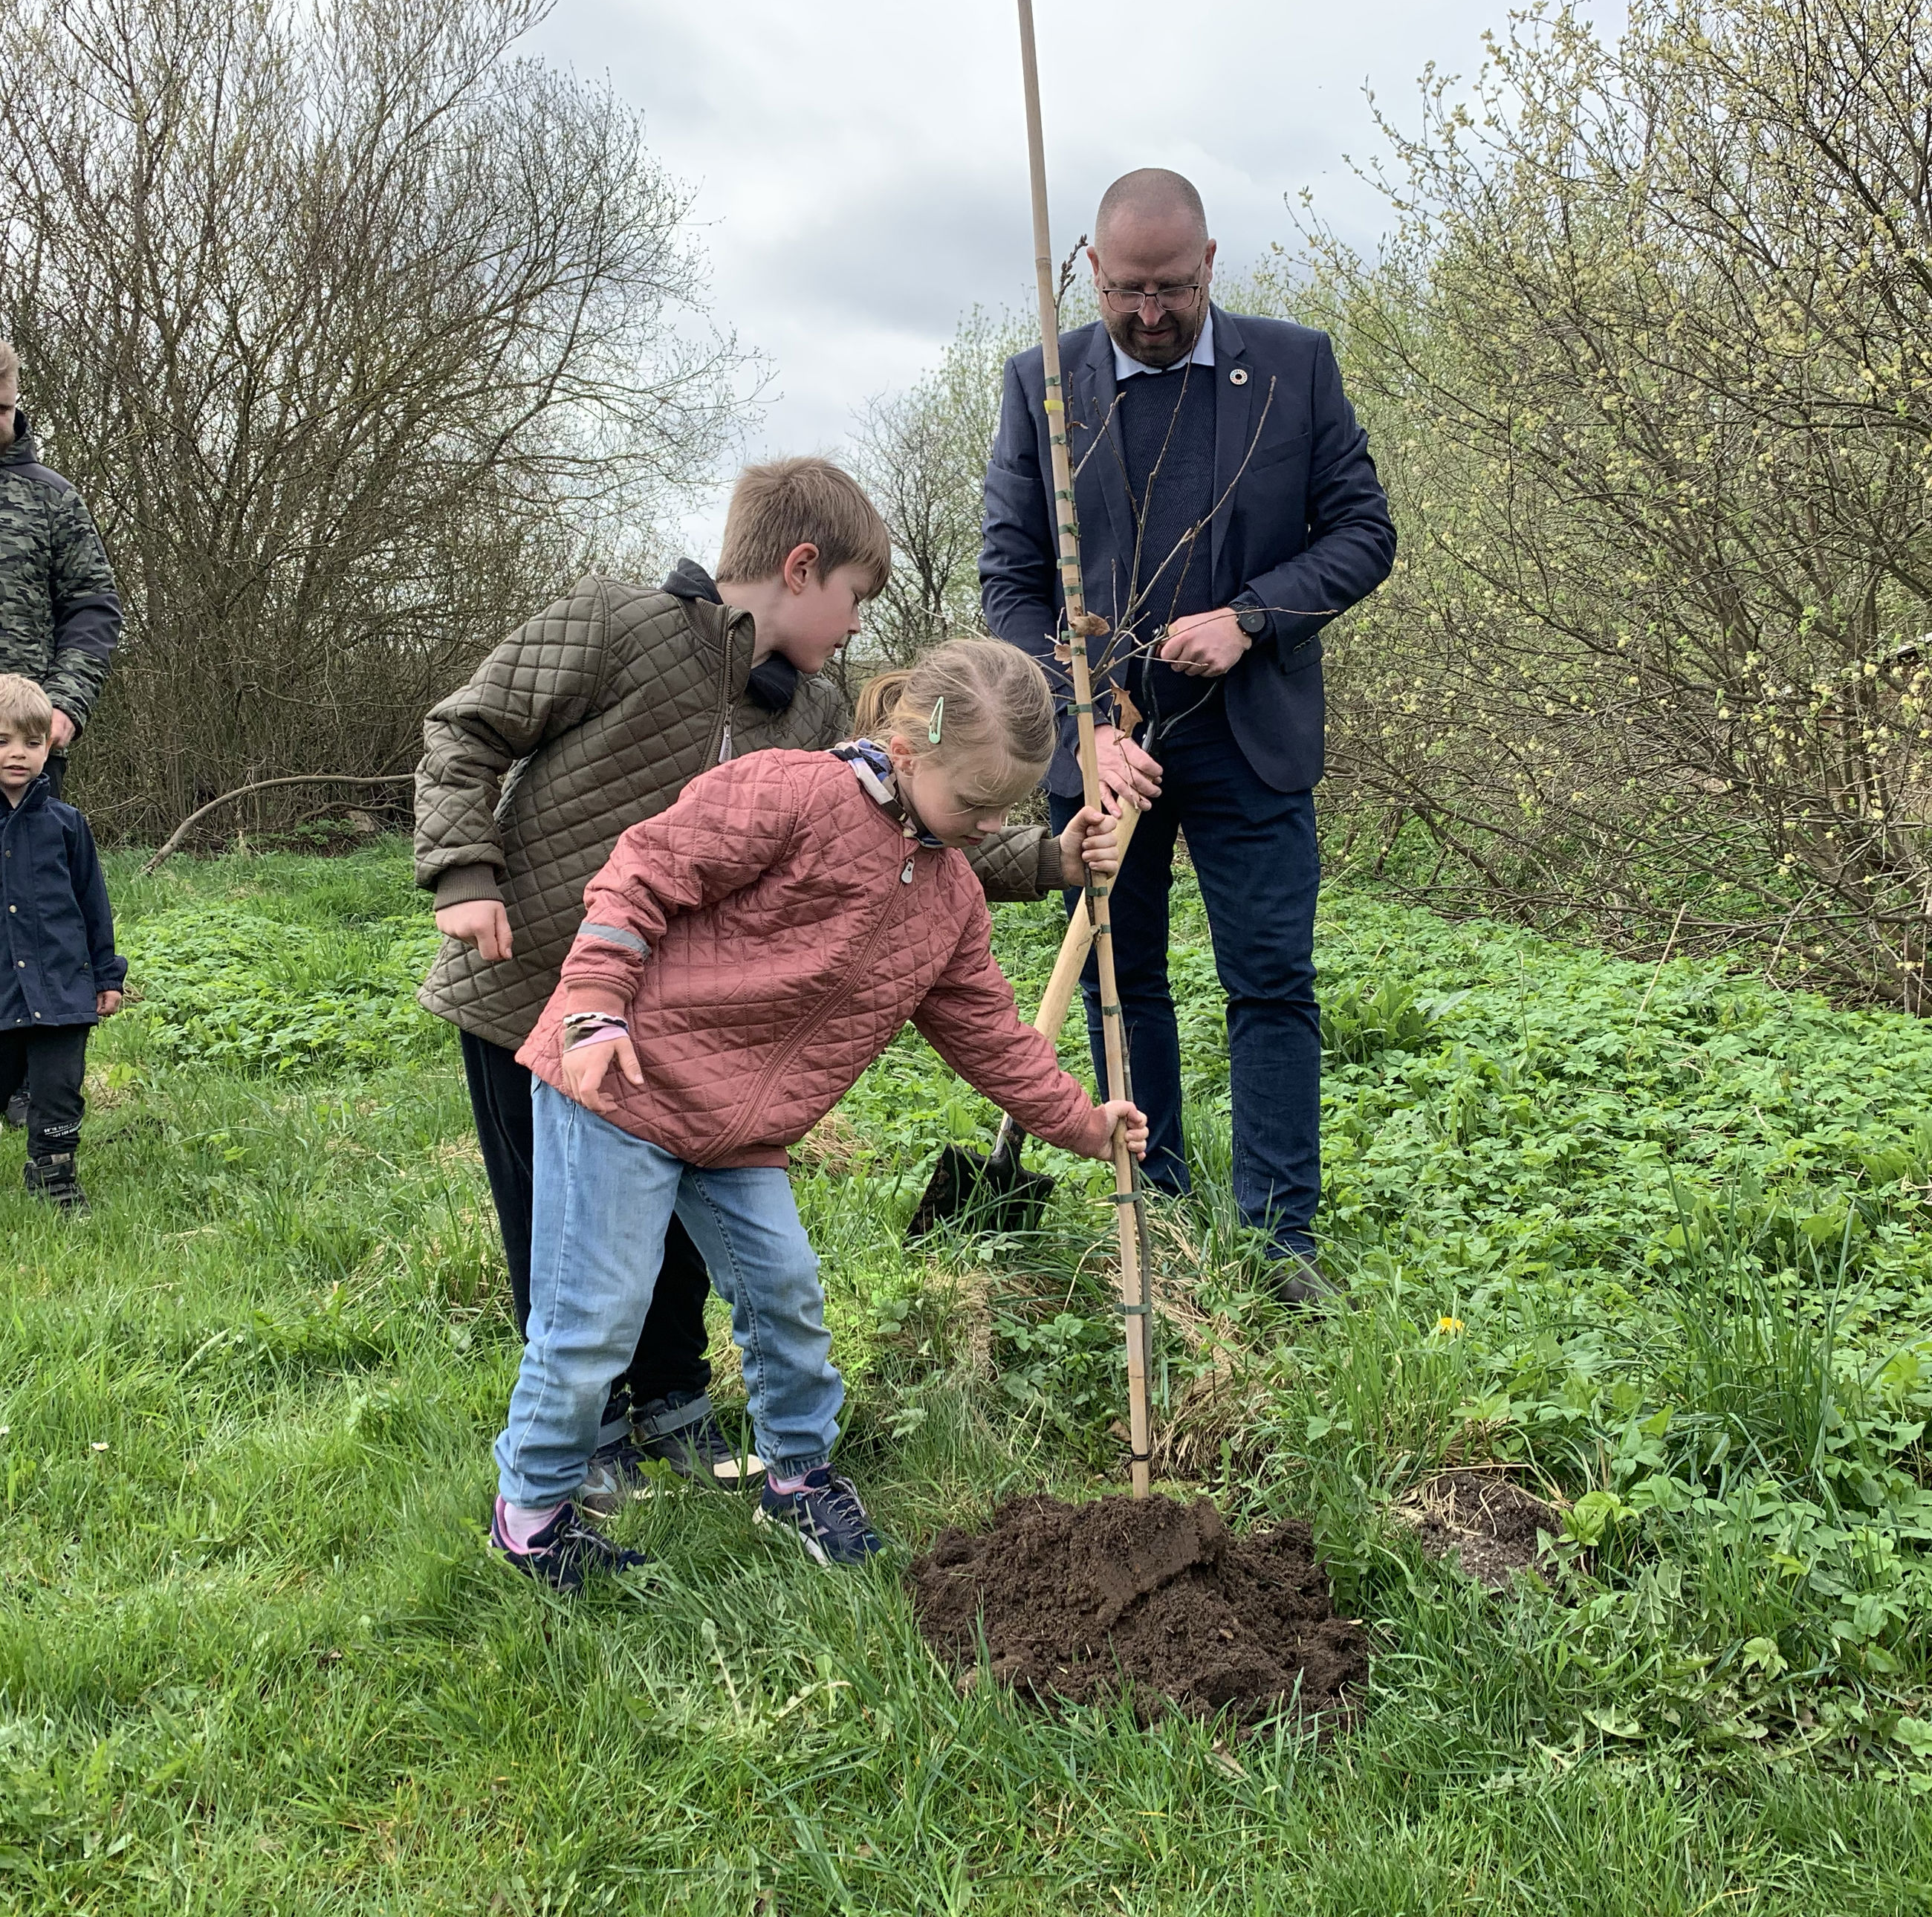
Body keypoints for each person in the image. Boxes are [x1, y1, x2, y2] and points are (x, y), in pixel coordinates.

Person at [415, 458, 1118, 1507]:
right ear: (801, 567)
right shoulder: (615, 626)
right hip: (531, 972)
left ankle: (673, 1401)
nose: (857, 623)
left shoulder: (812, 709)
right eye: (856, 596)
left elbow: (902, 834)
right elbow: (465, 728)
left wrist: (1048, 859)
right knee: (563, 1231)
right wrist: (465, 872)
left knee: (680, 1219)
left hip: (688, 1021)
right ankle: (586, 1435)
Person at [490, 637, 1142, 1589]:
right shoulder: (793, 793)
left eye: (1009, 807)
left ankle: (797, 1477)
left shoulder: (951, 900)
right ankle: (532, 1514)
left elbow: (993, 1040)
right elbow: (644, 867)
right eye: (976, 803)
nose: (992, 825)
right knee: (595, 1317)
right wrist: (593, 1002)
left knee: (786, 1295)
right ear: (907, 751)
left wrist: (1084, 1124)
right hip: (623, 1083)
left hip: (740, 1132)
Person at [981, 168, 1396, 1297]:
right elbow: (1010, 580)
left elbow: (1363, 533)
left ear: (1209, 262)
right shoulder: (1041, 385)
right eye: (1126, 290)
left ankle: (1279, 1242)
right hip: (1102, 746)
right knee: (1126, 981)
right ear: (1090, 269)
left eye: (1170, 286)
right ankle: (1153, 1209)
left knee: (1271, 982)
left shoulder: (1295, 367)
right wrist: (1080, 723)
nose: (1150, 311)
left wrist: (1252, 617)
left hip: (1250, 737)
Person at [0, 341, 125, 1134]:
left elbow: (92, 608)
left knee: (35, 905)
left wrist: (64, 706)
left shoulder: (51, 498)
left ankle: (30, 1086)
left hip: (22, 743)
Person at [0, 674, 126, 1212]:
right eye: (3, 741)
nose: (17, 754)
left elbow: (93, 905)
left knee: (58, 1088)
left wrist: (107, 975)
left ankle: (54, 1174)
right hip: (3, 988)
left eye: (32, 742)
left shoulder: (68, 825)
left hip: (61, 987)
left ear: (48, 748)